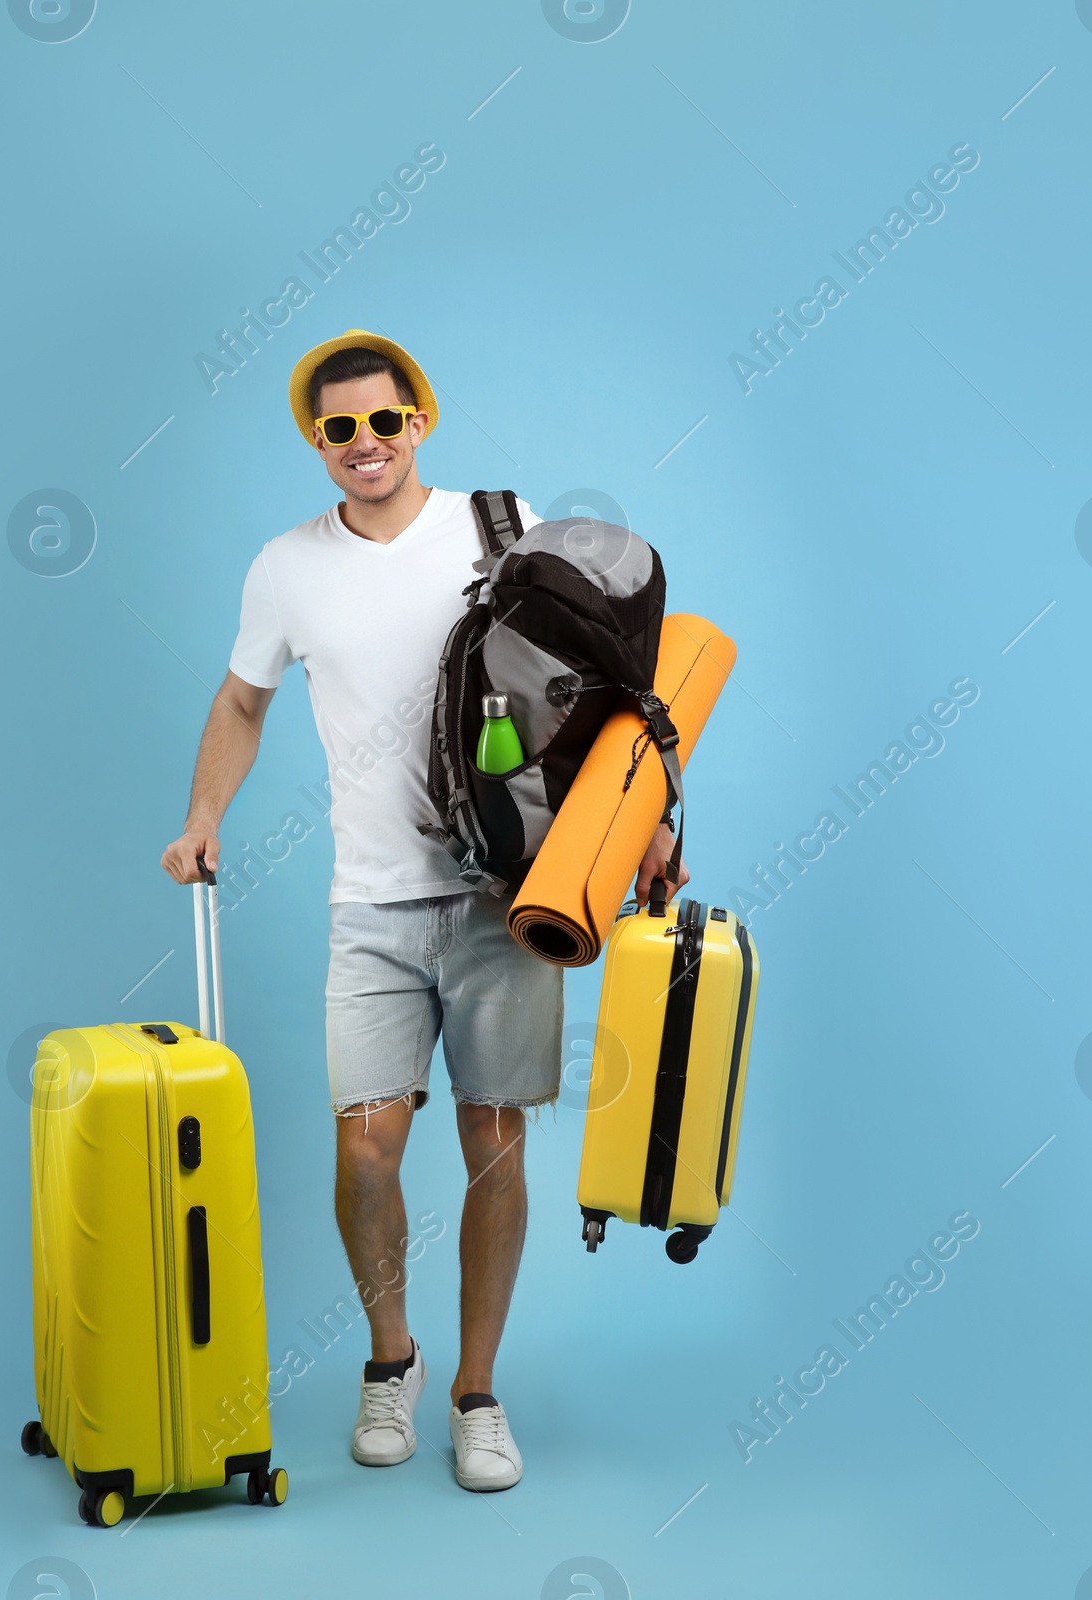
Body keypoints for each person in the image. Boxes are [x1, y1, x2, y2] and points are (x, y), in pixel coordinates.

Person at [161, 330, 685, 1492]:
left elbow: (598, 693)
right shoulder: (284, 567)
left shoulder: (501, 526)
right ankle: (390, 1359)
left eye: (384, 420)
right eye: (338, 427)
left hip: (509, 898)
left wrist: (641, 821)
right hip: (371, 906)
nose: (365, 443)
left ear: (420, 421)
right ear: (316, 440)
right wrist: (202, 813)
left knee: (494, 1149)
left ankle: (476, 1392)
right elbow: (241, 704)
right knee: (365, 1149)